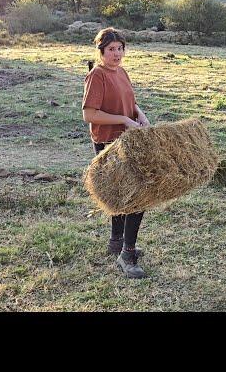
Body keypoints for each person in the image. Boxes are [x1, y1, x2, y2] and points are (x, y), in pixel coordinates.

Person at [82, 27, 151, 279]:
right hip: (108, 144)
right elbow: (89, 114)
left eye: (120, 48)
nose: (117, 53)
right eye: (111, 49)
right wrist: (123, 119)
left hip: (127, 141)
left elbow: (130, 102)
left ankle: (116, 241)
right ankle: (127, 254)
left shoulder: (121, 72)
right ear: (101, 51)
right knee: (137, 197)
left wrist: (139, 116)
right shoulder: (97, 76)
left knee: (122, 197)